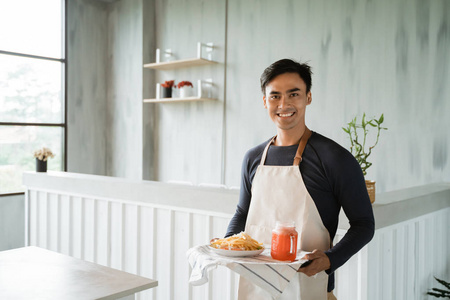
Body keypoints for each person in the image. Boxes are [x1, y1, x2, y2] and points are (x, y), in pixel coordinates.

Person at [225, 59, 375, 300]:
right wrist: (227, 245)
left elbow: (364, 224)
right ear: (265, 101)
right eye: (275, 96)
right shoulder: (253, 158)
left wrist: (329, 259)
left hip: (310, 288)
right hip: (256, 288)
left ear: (308, 97)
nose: (284, 104)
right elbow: (242, 212)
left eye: (293, 94)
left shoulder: (335, 158)